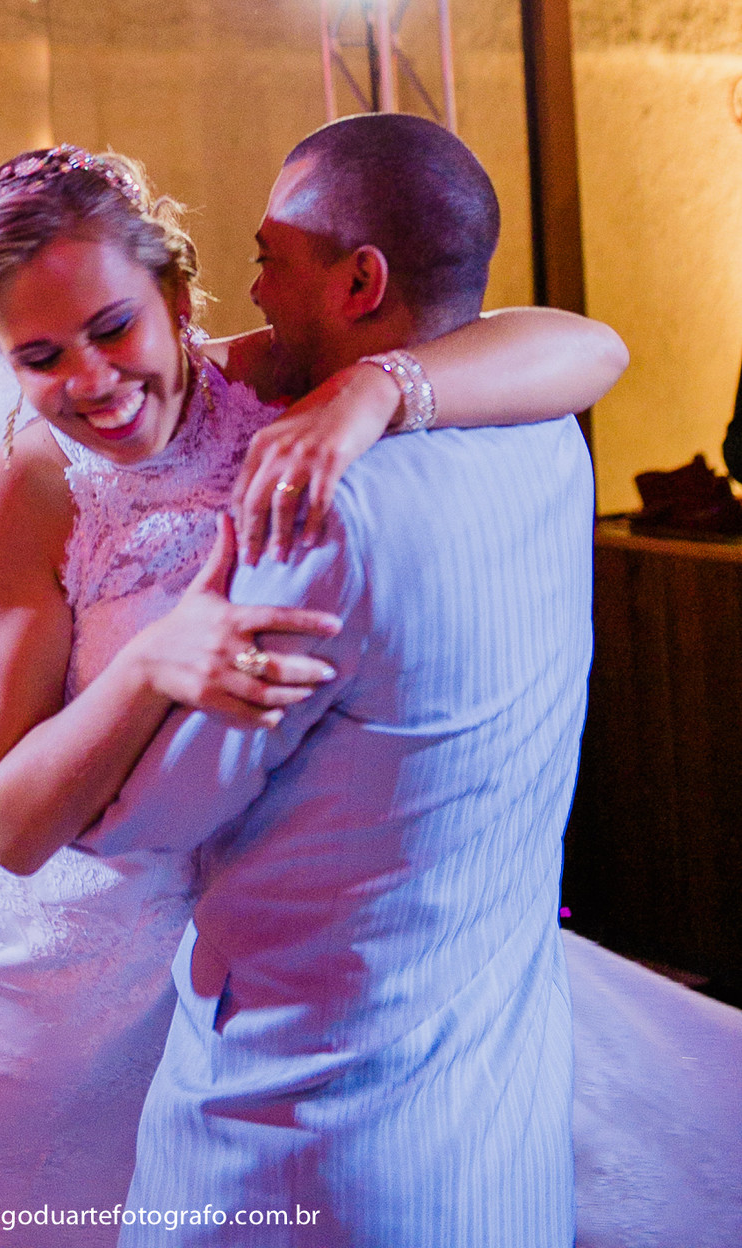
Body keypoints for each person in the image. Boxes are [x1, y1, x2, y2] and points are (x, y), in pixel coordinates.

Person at [0, 142, 629, 1248]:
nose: (93, 384)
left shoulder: (266, 378)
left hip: (280, 947)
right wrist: (154, 665)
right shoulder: (25, 490)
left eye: (113, 330)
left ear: (175, 296)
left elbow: (586, 346)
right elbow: (7, 819)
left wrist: (369, 392)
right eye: (40, 356)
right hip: (85, 973)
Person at [77, 116, 742, 1248]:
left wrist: (119, 680)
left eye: (270, 255)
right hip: (497, 1127)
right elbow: (579, 344)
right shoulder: (543, 436)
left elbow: (151, 820)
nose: (252, 289)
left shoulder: (312, 511)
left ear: (359, 278)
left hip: (303, 1144)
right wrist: (379, 386)